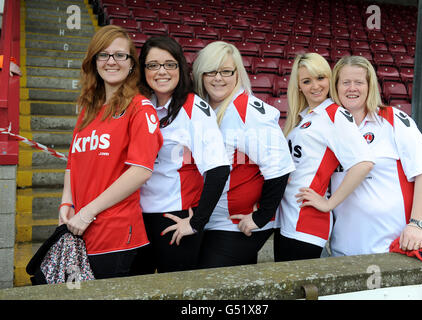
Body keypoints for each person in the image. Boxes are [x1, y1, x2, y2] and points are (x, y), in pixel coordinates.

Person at [59, 25, 163, 280]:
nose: (111, 61)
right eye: (103, 55)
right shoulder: (88, 110)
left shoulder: (140, 108)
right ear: (94, 62)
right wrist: (66, 203)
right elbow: (73, 163)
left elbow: (140, 171)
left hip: (117, 234)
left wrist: (87, 212)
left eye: (120, 55)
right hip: (81, 229)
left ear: (131, 64)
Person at [192, 41, 295, 269]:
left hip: (235, 223)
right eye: (210, 71)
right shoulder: (208, 107)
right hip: (214, 220)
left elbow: (280, 166)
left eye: (226, 71)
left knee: (206, 285)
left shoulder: (246, 111)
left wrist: (261, 216)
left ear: (237, 73)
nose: (218, 78)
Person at [133, 36, 230, 274]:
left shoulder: (194, 107)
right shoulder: (141, 105)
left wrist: (197, 221)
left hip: (175, 217)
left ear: (180, 68)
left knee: (176, 291)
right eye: (153, 65)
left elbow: (219, 169)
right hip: (137, 215)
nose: (161, 71)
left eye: (169, 64)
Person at [327, 55, 422, 256]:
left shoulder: (394, 120)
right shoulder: (327, 127)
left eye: (359, 82)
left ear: (370, 86)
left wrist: (417, 224)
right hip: (341, 250)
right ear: (336, 86)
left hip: (391, 248)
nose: (352, 88)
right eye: (346, 82)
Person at [275, 53, 374, 262]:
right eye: (306, 81)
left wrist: (329, 204)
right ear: (299, 86)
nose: (315, 86)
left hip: (306, 222)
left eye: (320, 78)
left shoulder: (334, 114)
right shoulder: (306, 116)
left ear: (330, 79)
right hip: (288, 217)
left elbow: (363, 163)